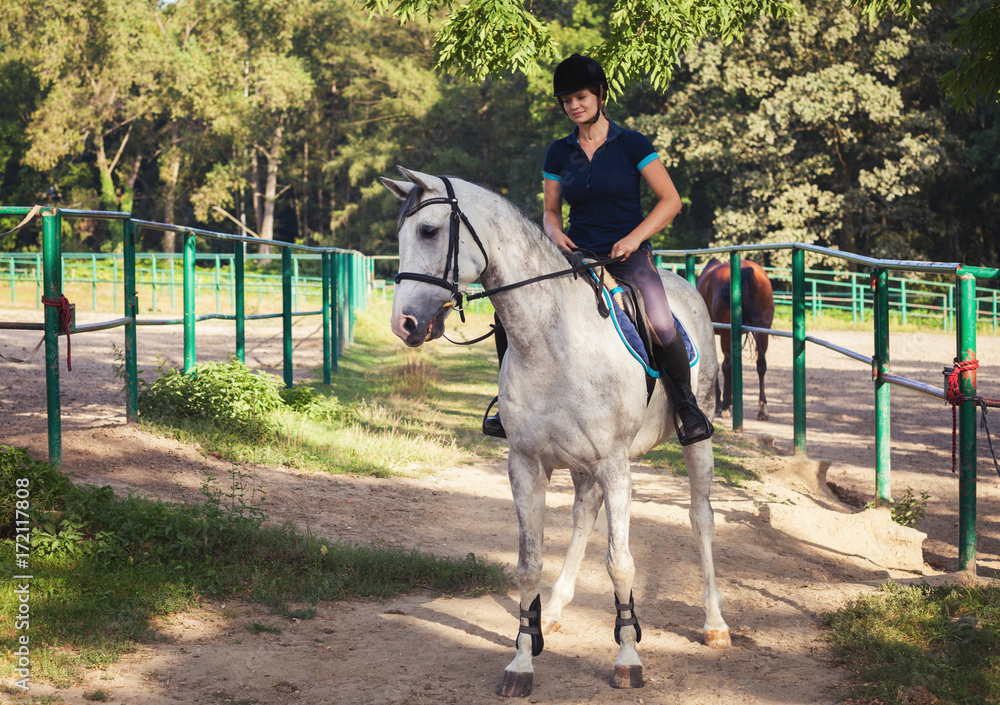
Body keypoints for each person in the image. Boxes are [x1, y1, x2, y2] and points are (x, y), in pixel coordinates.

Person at [483, 53, 713, 446]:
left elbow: (670, 200)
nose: (574, 106)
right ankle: (510, 404)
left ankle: (687, 406)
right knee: (508, 314)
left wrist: (635, 239)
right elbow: (551, 212)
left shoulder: (631, 143)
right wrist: (555, 235)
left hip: (629, 253)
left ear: (600, 95)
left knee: (660, 321)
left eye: (581, 97)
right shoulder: (558, 152)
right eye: (567, 100)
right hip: (575, 253)